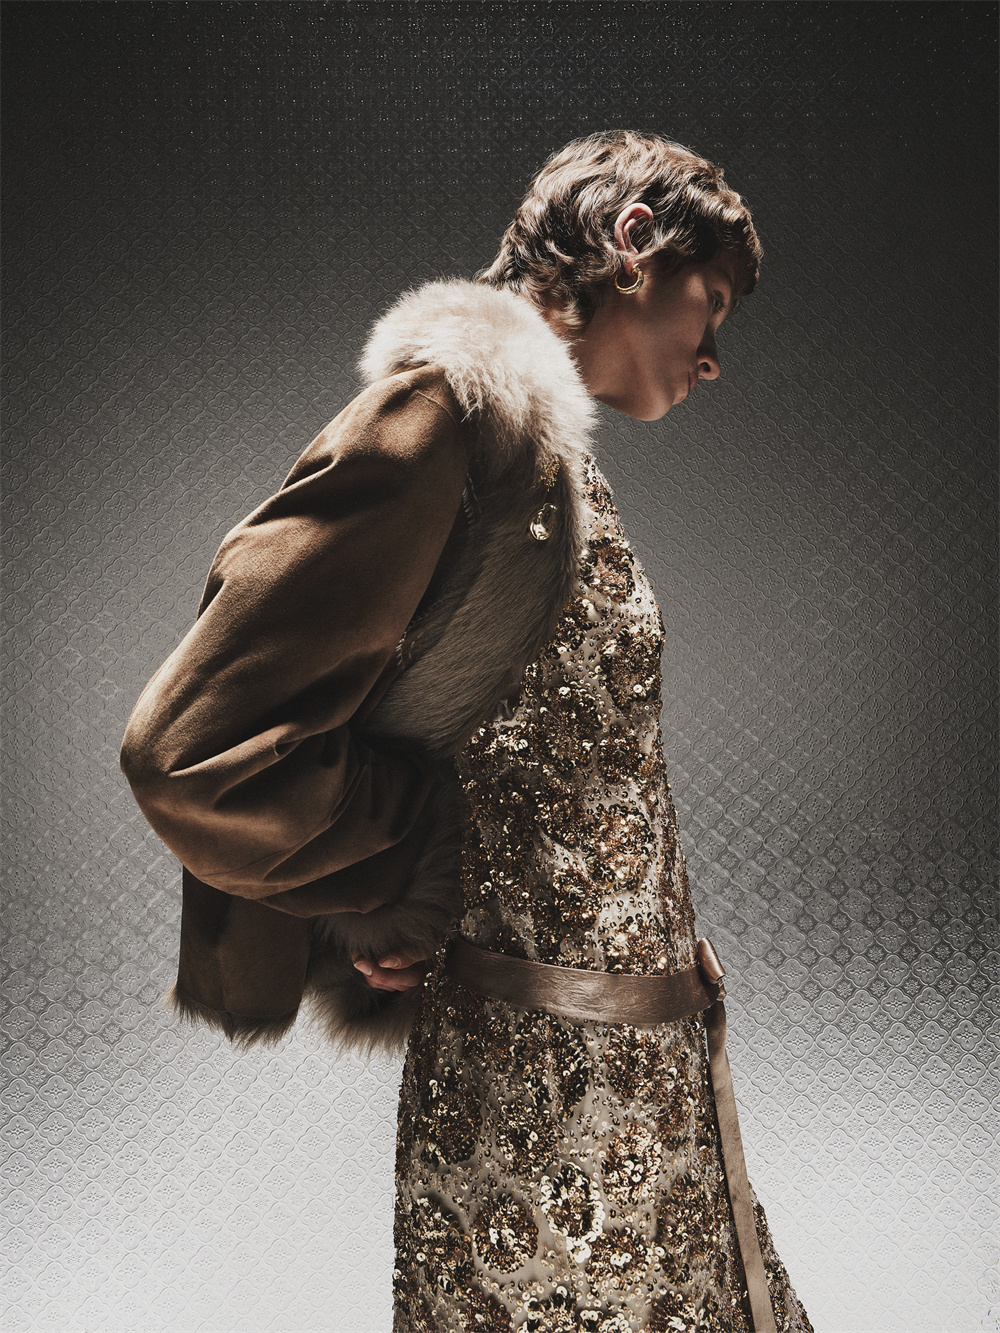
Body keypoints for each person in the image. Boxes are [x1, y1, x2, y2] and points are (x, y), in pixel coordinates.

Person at [121, 130, 813, 1333]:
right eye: (711, 303)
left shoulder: (545, 463)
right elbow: (189, 752)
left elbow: (492, 733)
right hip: (536, 1122)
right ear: (633, 243)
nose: (713, 355)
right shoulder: (439, 416)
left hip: (649, 1091)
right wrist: (394, 870)